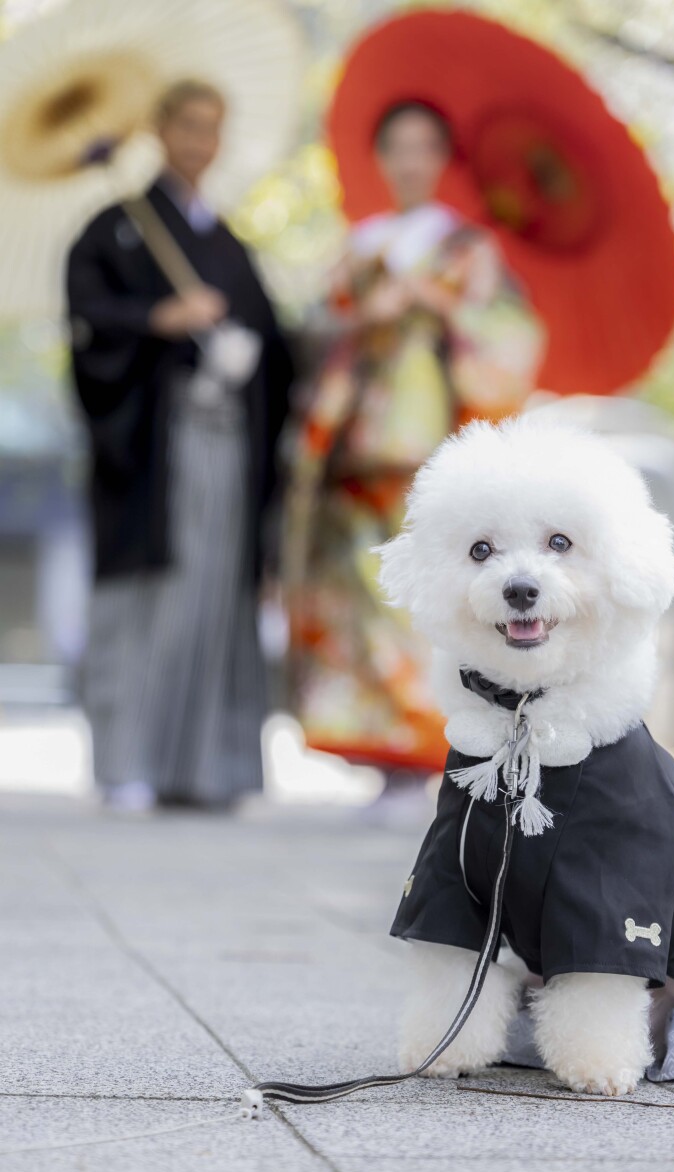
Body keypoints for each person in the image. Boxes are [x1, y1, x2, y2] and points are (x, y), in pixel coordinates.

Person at [285, 102, 544, 790]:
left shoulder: (466, 248)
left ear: (441, 160)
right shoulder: (359, 245)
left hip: (428, 437)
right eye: (396, 147)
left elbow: (511, 338)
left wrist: (443, 306)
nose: (409, 162)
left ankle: (432, 749)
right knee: (356, 594)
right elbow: (312, 336)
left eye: (424, 148)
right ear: (379, 158)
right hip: (354, 445)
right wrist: (361, 320)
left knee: (424, 591)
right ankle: (380, 753)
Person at [67, 79, 294, 812]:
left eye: (212, 128)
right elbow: (88, 322)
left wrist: (249, 349)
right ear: (160, 130)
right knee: (147, 600)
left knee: (215, 598)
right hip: (154, 451)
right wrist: (155, 317)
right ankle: (126, 761)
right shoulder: (115, 229)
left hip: (227, 446)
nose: (200, 141)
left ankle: (207, 766)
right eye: (188, 125)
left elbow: (277, 346)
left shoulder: (225, 242)